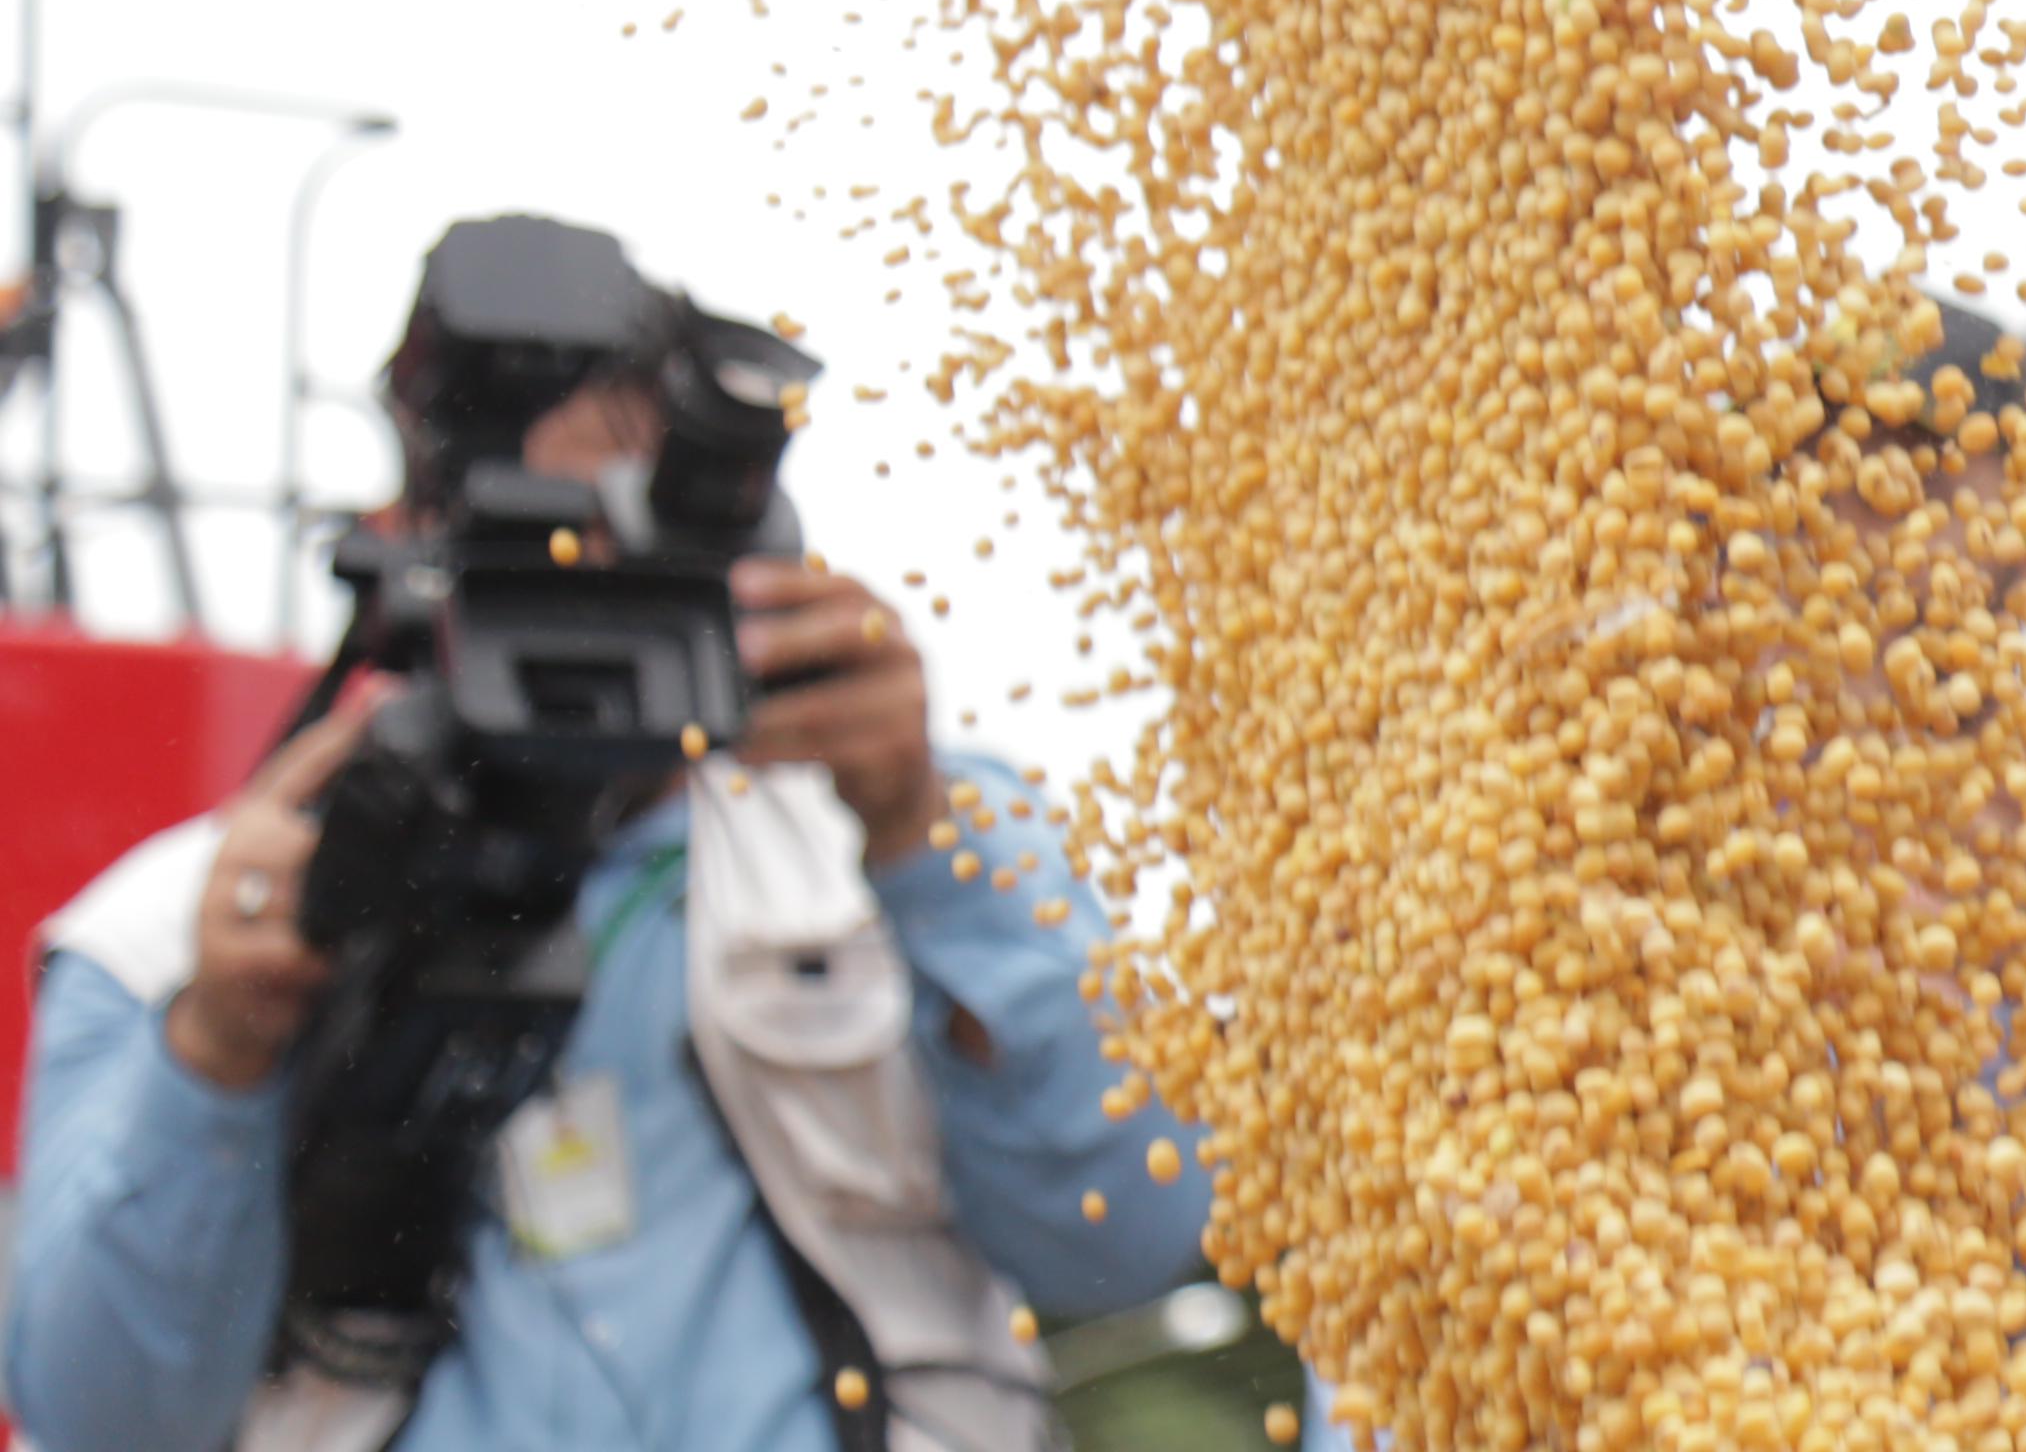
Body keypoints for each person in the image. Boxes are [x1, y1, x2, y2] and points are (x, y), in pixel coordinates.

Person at [12, 246, 1215, 1452]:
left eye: (643, 548)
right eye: (547, 557)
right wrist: (219, 1048)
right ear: (405, 548)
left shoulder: (913, 836)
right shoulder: (172, 934)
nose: (597, 603)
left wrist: (922, 842)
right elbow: (94, 1418)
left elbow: (1129, 1238)